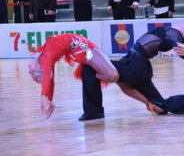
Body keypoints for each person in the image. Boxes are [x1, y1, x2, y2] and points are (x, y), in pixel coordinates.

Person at [80, 22, 184, 121]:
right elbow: (181, 48)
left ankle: (93, 112)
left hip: (133, 66)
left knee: (89, 67)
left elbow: (179, 48)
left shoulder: (173, 34)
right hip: (141, 69)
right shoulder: (173, 34)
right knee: (161, 105)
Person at [28, 33, 161, 119]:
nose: (30, 70)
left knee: (114, 77)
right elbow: (49, 79)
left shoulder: (44, 56)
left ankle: (149, 100)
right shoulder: (45, 60)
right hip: (86, 55)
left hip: (88, 50)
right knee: (116, 79)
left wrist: (43, 98)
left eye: (32, 72)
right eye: (34, 73)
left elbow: (47, 79)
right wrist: (46, 98)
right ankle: (149, 103)